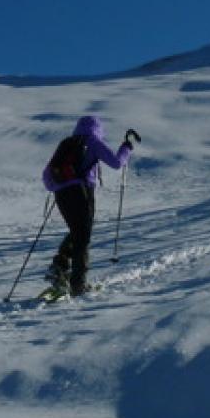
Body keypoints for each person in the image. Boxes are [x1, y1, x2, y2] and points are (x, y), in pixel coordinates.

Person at [42, 116, 134, 296]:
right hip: (81, 192)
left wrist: (62, 185)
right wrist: (126, 148)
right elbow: (116, 163)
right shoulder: (92, 141)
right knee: (83, 235)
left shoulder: (67, 143)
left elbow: (47, 174)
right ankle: (78, 284)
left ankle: (59, 268)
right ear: (98, 129)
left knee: (78, 232)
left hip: (61, 194)